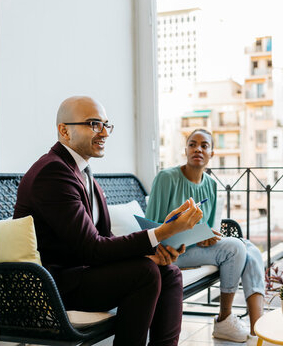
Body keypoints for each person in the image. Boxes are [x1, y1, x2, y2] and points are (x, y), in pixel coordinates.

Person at [14, 96, 203, 346]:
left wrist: (154, 249)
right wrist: (164, 231)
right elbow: (91, 248)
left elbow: (104, 239)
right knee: (144, 274)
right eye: (94, 124)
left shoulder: (82, 173)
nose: (104, 132)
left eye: (106, 124)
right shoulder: (53, 173)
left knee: (168, 272)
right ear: (64, 130)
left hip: (80, 273)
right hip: (50, 284)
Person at [146, 129, 265, 343]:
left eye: (204, 145)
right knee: (236, 247)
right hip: (170, 251)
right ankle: (225, 320)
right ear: (185, 150)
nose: (197, 149)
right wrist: (193, 236)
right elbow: (152, 225)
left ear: (212, 153)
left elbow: (208, 228)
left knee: (250, 249)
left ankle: (259, 330)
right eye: (192, 144)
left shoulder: (210, 185)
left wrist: (207, 236)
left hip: (196, 249)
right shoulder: (166, 178)